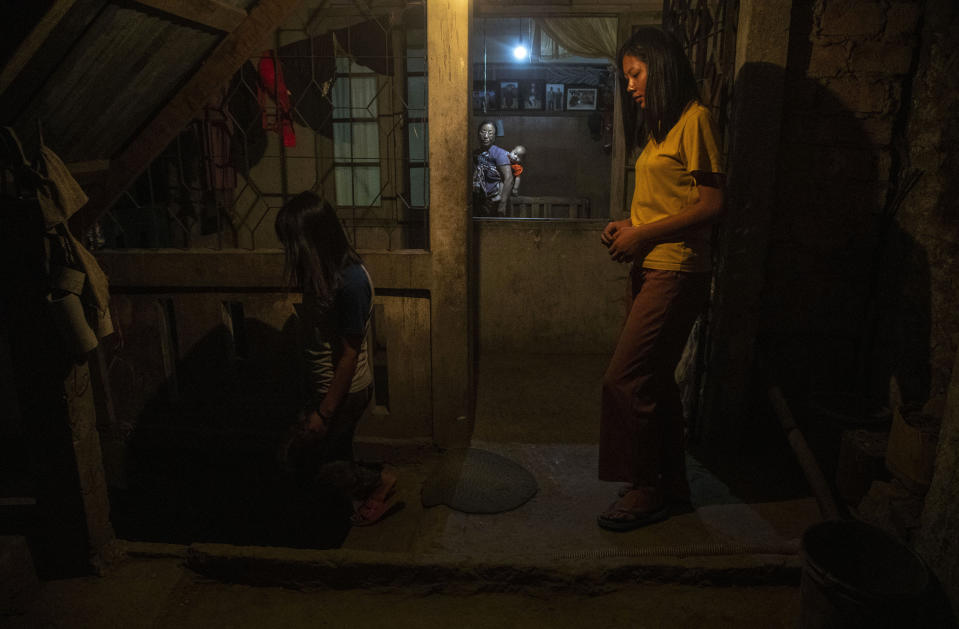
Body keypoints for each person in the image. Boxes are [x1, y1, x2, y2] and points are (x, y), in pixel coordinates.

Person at [597, 27, 725, 531]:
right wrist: (631, 228)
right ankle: (672, 485)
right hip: (652, 265)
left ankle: (645, 488)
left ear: (661, 67)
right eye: (626, 76)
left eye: (636, 74)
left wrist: (645, 237)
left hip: (676, 270)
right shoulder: (661, 129)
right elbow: (668, 204)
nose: (629, 85)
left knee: (624, 380)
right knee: (657, 383)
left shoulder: (696, 121)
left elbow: (712, 205)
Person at [275, 191, 398, 527]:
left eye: (294, 243)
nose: (291, 253)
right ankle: (338, 512)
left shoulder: (352, 282)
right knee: (332, 454)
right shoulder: (323, 272)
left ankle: (379, 480)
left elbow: (348, 355)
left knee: (308, 463)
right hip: (327, 388)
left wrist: (323, 412)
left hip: (344, 391)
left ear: (315, 238)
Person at [471, 120, 513, 216]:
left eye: (490, 133)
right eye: (483, 132)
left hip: (495, 202)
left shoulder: (499, 154)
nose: (486, 136)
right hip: (479, 201)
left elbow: (509, 179)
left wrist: (503, 203)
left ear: (494, 137)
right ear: (478, 134)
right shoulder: (475, 153)